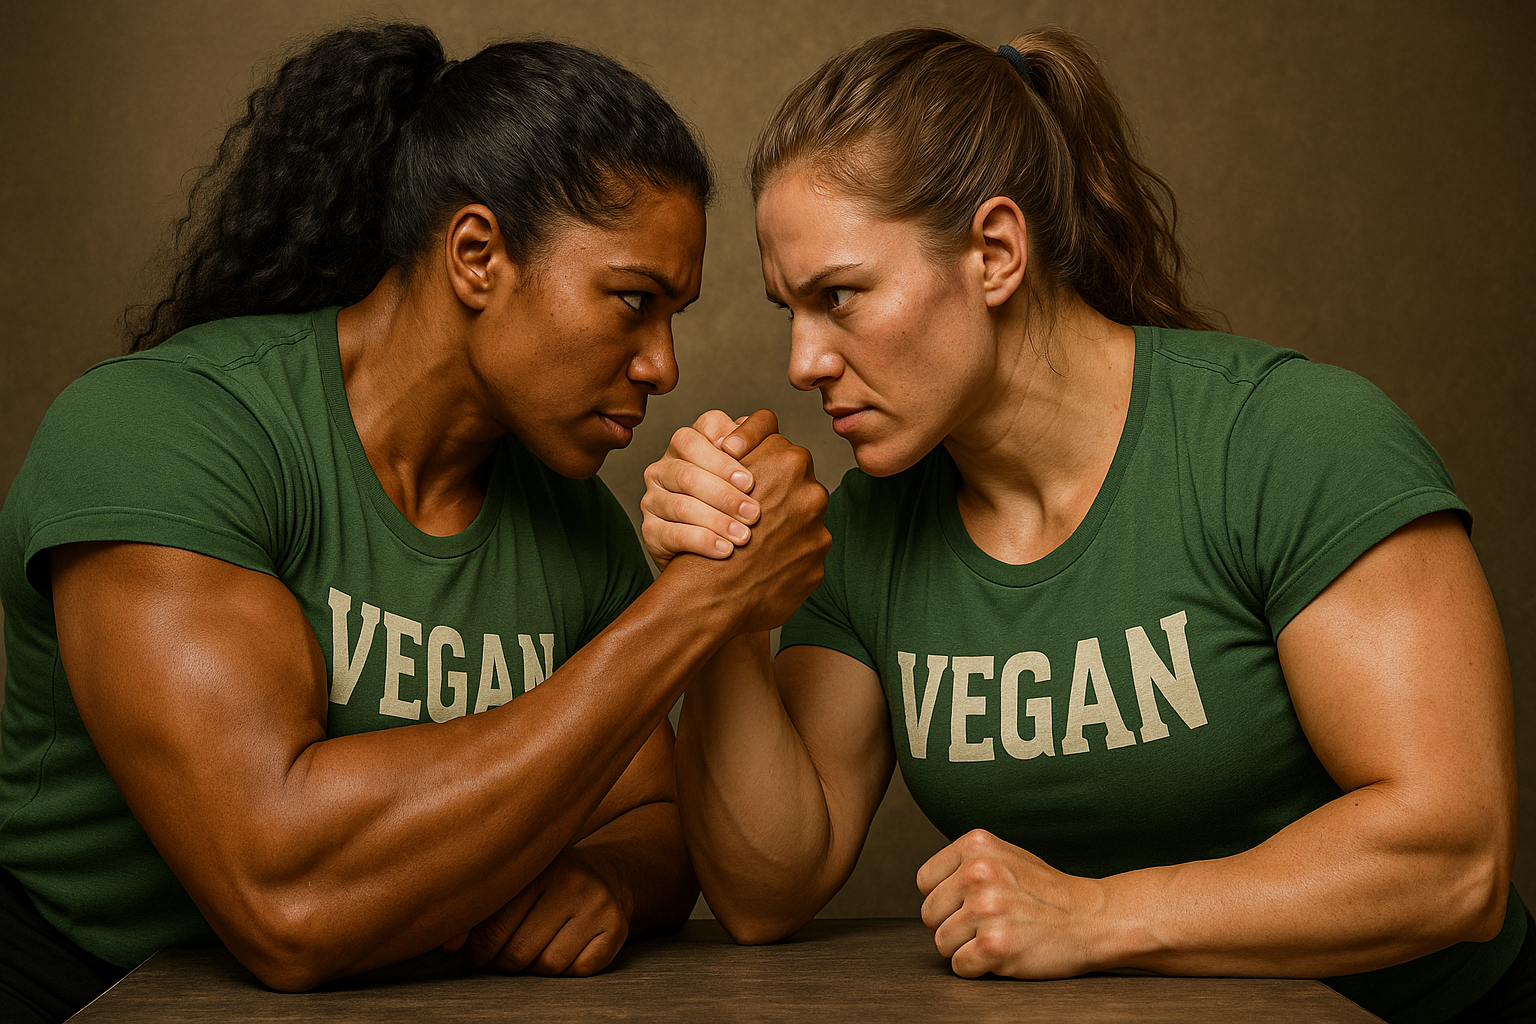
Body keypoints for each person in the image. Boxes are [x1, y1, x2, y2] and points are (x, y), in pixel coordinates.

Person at [639, 26, 1530, 1024]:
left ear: (995, 251)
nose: (804, 359)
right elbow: (768, 892)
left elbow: (1454, 860)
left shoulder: (1289, 442)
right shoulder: (873, 527)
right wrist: (717, 590)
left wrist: (1099, 915)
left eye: (840, 296)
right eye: (788, 309)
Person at [0, 22, 830, 1024]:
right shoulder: (161, 433)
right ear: (477, 256)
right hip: (88, 994)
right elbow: (287, 898)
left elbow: (656, 818)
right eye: (632, 301)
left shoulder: (565, 519)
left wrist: (605, 880)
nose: (663, 365)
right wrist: (699, 605)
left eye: (674, 316)